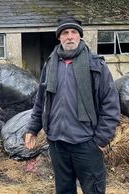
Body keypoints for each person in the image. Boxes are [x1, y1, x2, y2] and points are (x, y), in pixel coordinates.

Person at [24, 16, 120, 194]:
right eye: (65, 33)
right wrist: (32, 129)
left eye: (74, 32)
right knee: (64, 190)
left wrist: (100, 139)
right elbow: (41, 100)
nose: (69, 36)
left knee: (94, 190)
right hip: (57, 143)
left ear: (80, 36)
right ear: (59, 37)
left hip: (86, 142)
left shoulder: (95, 64)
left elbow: (111, 104)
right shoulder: (51, 63)